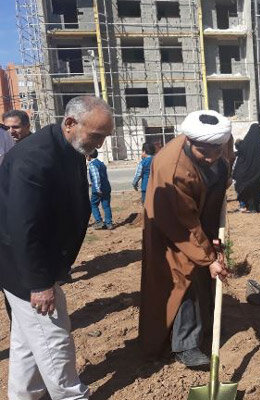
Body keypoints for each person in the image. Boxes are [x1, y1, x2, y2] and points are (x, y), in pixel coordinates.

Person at [0, 96, 114, 400]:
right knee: (54, 341)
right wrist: (39, 284)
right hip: (26, 271)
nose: (100, 145)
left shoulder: (70, 147)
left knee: (27, 343)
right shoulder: (35, 157)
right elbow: (24, 228)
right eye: (97, 136)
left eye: (105, 137)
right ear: (70, 123)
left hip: (35, 265)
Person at [139, 110, 231, 368]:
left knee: (205, 275)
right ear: (190, 141)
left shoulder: (218, 141)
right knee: (184, 278)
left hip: (199, 219)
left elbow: (223, 159)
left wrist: (213, 240)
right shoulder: (173, 169)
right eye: (205, 152)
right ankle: (185, 345)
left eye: (217, 149)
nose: (212, 157)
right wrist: (208, 256)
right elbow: (185, 224)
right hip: (172, 229)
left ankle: (207, 325)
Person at [232, 123, 260, 213]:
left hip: (248, 170)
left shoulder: (245, 143)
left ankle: (252, 208)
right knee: (259, 188)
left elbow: (240, 151)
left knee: (249, 188)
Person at [87, 149, 113, 230]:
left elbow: (96, 177)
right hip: (106, 187)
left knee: (93, 204)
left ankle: (99, 221)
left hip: (98, 189)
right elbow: (103, 176)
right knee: (106, 205)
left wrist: (97, 188)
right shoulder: (102, 164)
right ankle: (109, 223)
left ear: (89, 156)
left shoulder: (92, 165)